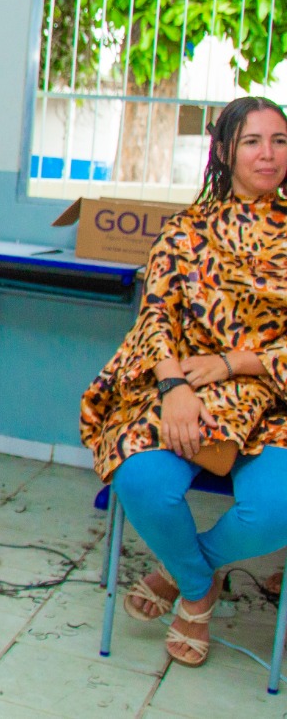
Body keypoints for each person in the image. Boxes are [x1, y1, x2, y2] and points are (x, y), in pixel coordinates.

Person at [81, 95, 287, 668]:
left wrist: (236, 363)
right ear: (224, 150)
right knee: (143, 480)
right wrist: (174, 388)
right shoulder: (187, 230)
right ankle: (200, 590)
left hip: (274, 402)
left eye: (279, 141)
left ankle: (181, 571)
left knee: (279, 507)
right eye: (252, 141)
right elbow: (156, 317)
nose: (268, 154)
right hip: (183, 391)